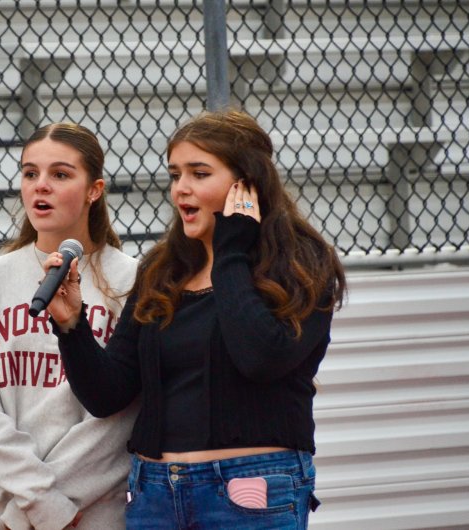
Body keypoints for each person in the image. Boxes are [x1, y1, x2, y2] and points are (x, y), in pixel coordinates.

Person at [43, 110, 347, 529]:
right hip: (154, 493)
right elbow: (108, 394)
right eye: (175, 174)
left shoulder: (301, 262)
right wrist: (72, 326)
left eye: (199, 173)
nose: (181, 189)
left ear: (248, 185)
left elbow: (260, 358)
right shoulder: (163, 269)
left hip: (248, 489)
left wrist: (230, 252)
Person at [0, 122, 139, 530]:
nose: (41, 186)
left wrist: (43, 506)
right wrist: (39, 500)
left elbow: (119, 417)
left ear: (95, 189)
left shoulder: (131, 281)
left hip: (86, 516)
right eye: (30, 173)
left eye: (60, 174)